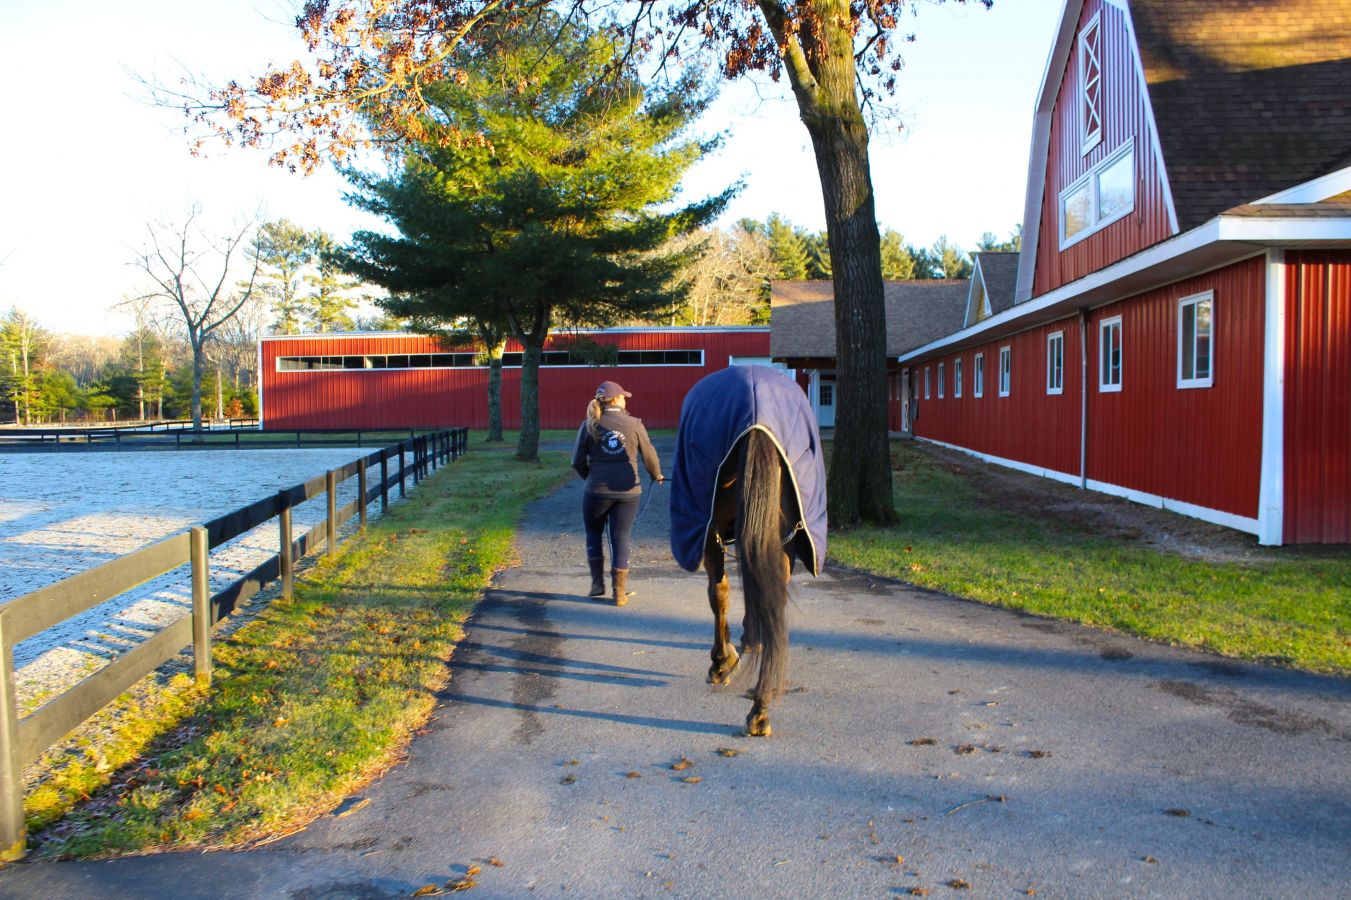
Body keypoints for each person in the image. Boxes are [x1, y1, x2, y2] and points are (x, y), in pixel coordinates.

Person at [572, 380, 664, 605]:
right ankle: (619, 593)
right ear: (615, 399)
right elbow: (649, 454)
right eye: (624, 397)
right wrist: (656, 475)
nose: (626, 400)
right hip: (628, 491)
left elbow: (576, 461)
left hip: (595, 491)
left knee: (594, 534)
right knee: (620, 537)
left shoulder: (588, 424)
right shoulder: (634, 424)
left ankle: (596, 584)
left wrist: (590, 478)